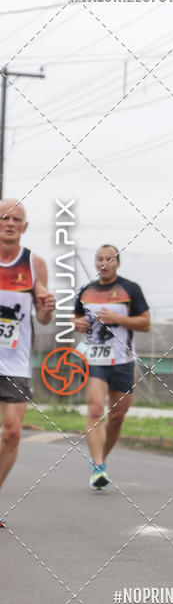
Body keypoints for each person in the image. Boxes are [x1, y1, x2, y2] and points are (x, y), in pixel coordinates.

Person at [74, 245, 150, 490]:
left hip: (123, 360)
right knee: (96, 409)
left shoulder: (130, 289)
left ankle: (100, 460)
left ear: (117, 262)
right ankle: (98, 467)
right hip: (95, 360)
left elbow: (146, 323)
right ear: (96, 263)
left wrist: (119, 319)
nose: (104, 263)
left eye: (109, 259)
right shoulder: (86, 291)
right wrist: (78, 325)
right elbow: (76, 319)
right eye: (99, 259)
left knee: (117, 417)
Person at [0, 198, 55, 527]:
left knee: (13, 433)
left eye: (16, 218)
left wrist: (47, 305)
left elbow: (44, 317)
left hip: (16, 363)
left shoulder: (35, 264)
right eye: (4, 217)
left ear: (24, 227)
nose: (9, 223)